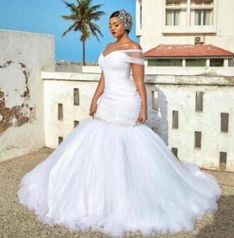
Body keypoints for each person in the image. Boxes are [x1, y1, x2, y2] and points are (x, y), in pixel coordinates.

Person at [18, 9, 221, 237]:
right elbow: (103, 78)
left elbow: (138, 81)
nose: (111, 27)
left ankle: (128, 197)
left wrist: (144, 107)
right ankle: (98, 196)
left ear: (125, 25)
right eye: (110, 24)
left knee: (127, 144)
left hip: (126, 102)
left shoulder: (134, 49)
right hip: (107, 101)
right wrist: (95, 98)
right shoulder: (107, 49)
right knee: (98, 143)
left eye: (115, 24)